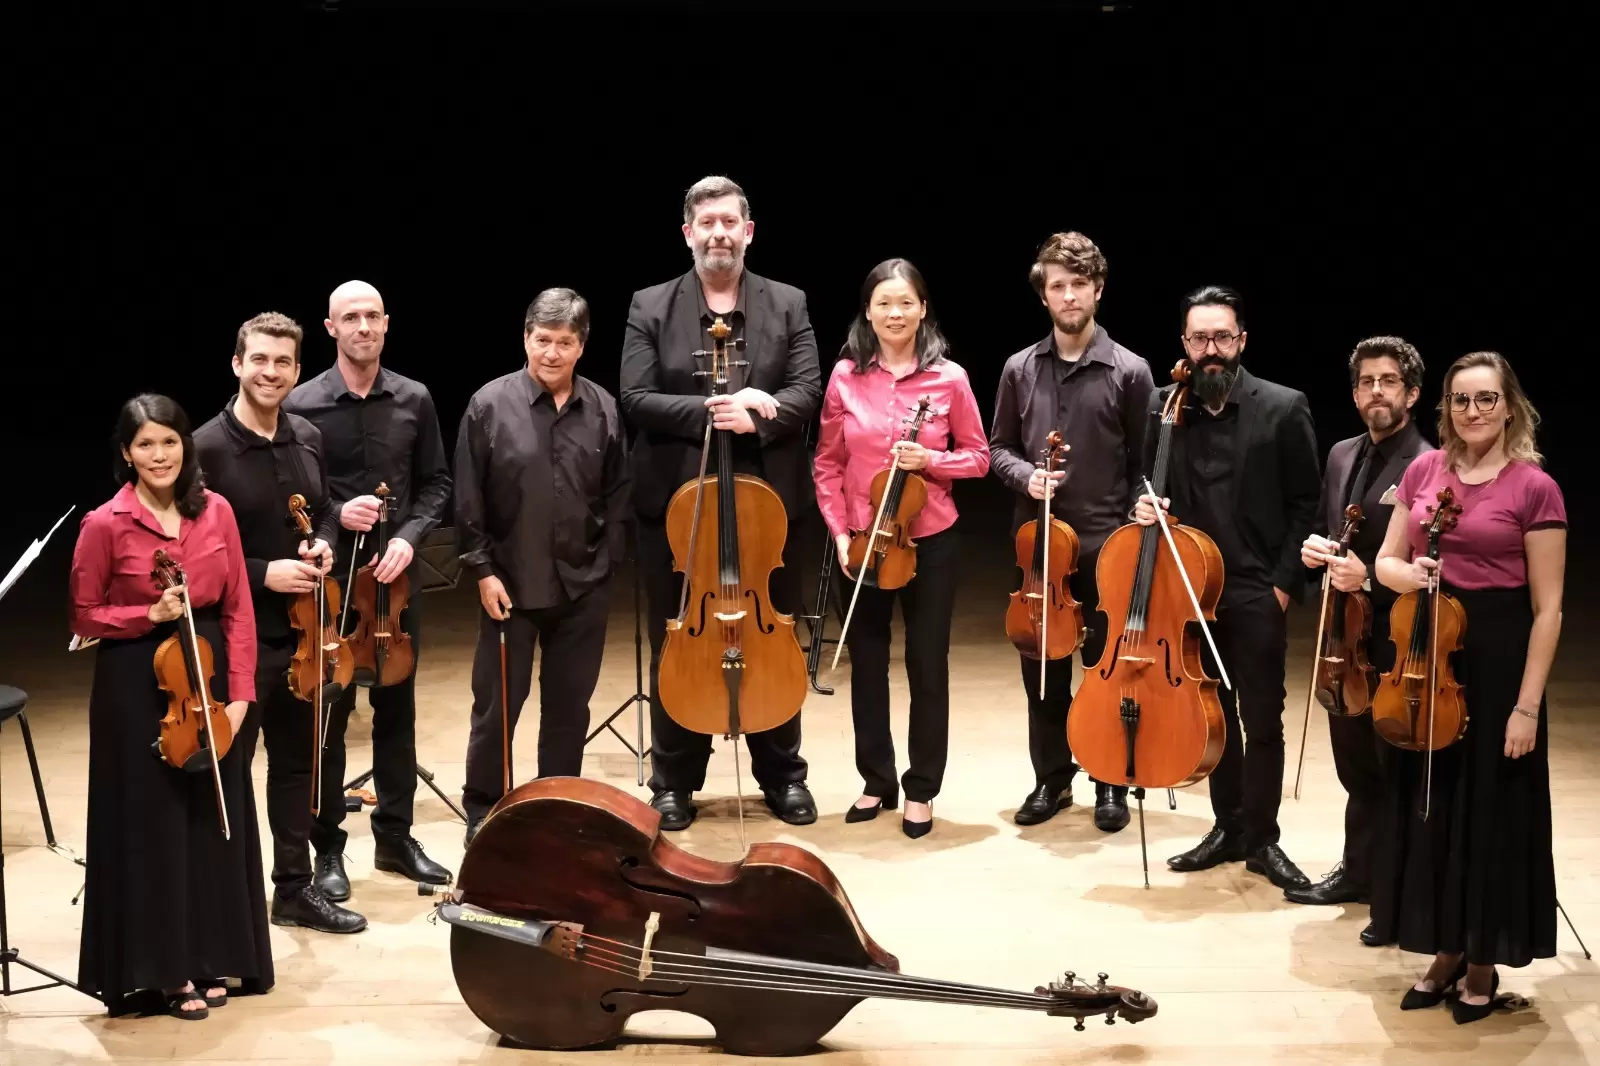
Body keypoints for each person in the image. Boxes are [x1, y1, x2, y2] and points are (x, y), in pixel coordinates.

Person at [619, 175, 822, 830]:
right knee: (681, 641)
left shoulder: (788, 303)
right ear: (688, 233)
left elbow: (806, 388)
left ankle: (782, 774)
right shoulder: (650, 305)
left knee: (773, 637)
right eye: (706, 223)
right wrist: (714, 411)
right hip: (680, 508)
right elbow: (635, 395)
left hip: (768, 511)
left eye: (729, 222)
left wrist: (760, 415)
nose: (718, 233)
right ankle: (675, 778)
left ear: (748, 231)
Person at [1371, 351, 1564, 1024]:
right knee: (1435, 803)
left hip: (1500, 656)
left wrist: (1526, 706)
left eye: (1485, 399)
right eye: (1460, 400)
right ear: (1444, 407)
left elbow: (1549, 609)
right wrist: (1413, 574)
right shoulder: (1424, 470)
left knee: (1491, 809)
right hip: (1431, 653)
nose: (1472, 411)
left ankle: (1482, 958)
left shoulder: (1534, 487)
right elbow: (1385, 561)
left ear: (1509, 406)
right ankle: (1445, 948)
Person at [69, 394, 273, 1017]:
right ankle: (164, 970)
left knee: (213, 821)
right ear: (126, 454)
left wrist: (240, 699)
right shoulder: (104, 524)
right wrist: (145, 615)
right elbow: (84, 616)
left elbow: (238, 607)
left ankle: (214, 955)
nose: (159, 455)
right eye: (145, 445)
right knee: (155, 828)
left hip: (207, 677)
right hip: (137, 685)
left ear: (187, 446)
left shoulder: (217, 512)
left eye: (169, 442)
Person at [1134, 285, 1320, 890]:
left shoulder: (1283, 407)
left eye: (1221, 337)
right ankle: (1227, 826)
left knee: (1261, 717)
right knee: (1209, 712)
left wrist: (1283, 586)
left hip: (1253, 588)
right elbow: (1146, 489)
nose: (1210, 350)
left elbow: (1305, 504)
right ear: (1184, 344)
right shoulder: (1166, 407)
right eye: (1198, 338)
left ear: (1241, 341)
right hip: (1187, 591)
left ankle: (1263, 839)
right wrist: (1144, 509)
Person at [193, 312, 368, 934]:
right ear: (238, 364)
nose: (271, 372)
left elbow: (322, 512)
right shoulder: (204, 449)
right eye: (259, 360)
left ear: (297, 370)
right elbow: (188, 551)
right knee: (233, 769)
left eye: (283, 363)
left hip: (303, 637)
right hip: (236, 639)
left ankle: (293, 889)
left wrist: (323, 544)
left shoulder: (306, 437)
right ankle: (228, 902)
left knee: (297, 766)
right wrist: (262, 570)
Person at [284, 279, 453, 899]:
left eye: (372, 316)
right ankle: (327, 846)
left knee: (397, 711)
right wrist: (335, 517)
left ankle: (395, 836)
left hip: (395, 587)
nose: (363, 327)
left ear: (387, 323)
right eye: (350, 317)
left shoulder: (414, 398)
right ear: (330, 328)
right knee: (329, 716)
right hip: (330, 585)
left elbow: (436, 482)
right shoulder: (301, 405)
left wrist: (409, 534)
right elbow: (297, 497)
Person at [813, 258, 990, 838]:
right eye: (884, 303)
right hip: (861, 542)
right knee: (867, 662)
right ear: (868, 310)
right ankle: (876, 780)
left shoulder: (950, 379)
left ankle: (921, 789)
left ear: (922, 310)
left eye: (906, 302)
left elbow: (980, 457)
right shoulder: (845, 377)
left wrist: (931, 460)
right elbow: (828, 463)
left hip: (928, 537)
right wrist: (839, 533)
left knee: (925, 662)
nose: (895, 313)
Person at [454, 288, 631, 845]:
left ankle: (557, 807)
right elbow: (468, 499)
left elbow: (618, 494)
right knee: (497, 709)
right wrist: (482, 571)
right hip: (509, 584)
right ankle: (484, 810)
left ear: (581, 346)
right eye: (542, 340)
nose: (551, 353)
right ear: (525, 337)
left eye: (565, 343)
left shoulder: (602, 407)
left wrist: (604, 567)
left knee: (568, 709)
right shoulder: (488, 406)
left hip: (583, 587)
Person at [989, 231, 1153, 830]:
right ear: (1044, 296)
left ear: (1098, 289)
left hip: (1106, 547)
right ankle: (1051, 780)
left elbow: (1144, 467)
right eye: (1057, 285)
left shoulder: (1130, 371)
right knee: (1043, 668)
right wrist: (1026, 476)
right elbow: (997, 448)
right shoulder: (1018, 368)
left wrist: (1141, 510)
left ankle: (1109, 781)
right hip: (1038, 547)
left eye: (1078, 284)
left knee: (1107, 669)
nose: (1068, 295)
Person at [1288, 337, 1432, 943]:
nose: (1377, 391)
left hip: (1396, 638)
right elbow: (1333, 530)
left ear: (1412, 393)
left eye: (1389, 381)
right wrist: (1318, 551)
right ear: (1354, 394)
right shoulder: (1343, 453)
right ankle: (1359, 869)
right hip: (1344, 639)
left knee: (1390, 764)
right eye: (1367, 382)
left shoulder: (1428, 463)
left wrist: (1368, 577)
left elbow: (1429, 562)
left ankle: (1396, 890)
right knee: (1353, 763)